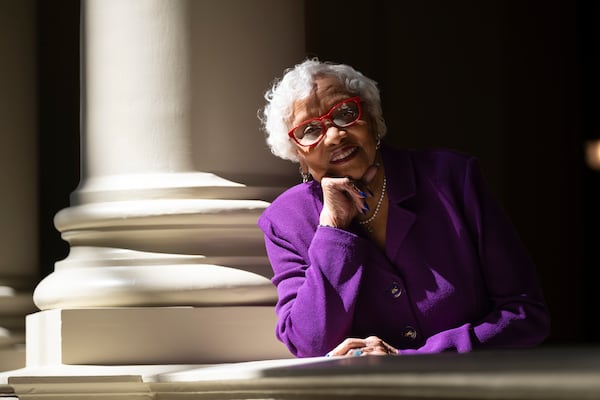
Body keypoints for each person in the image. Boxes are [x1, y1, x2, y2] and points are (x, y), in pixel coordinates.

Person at [257, 58, 550, 358]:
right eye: (309, 131)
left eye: (346, 113)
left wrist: (418, 358)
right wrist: (332, 229)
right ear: (298, 155)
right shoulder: (286, 221)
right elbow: (309, 343)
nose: (334, 135)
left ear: (372, 119)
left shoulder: (451, 179)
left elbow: (525, 314)